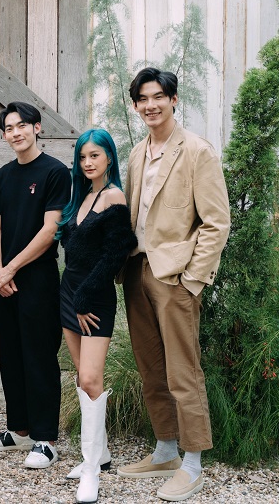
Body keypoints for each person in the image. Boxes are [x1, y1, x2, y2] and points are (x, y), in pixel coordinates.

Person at [117, 68, 230, 502]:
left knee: (184, 371)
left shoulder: (197, 151)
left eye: (158, 96)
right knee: (151, 368)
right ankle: (165, 451)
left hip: (175, 277)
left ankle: (193, 463)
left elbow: (216, 222)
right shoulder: (136, 153)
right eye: (143, 99)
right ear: (135, 105)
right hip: (136, 271)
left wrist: (193, 279)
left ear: (173, 99)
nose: (151, 105)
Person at [0, 101, 71, 469]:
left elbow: (50, 231)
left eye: (21, 125)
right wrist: (0, 269)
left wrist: (12, 268)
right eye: (8, 128)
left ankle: (45, 439)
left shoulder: (55, 172)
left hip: (38, 278)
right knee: (11, 356)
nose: (15, 133)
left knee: (39, 357)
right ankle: (19, 430)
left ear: (37, 128)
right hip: (7, 280)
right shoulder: (4, 175)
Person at [55, 129, 137, 503]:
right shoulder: (82, 196)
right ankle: (99, 454)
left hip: (93, 296)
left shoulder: (113, 195)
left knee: (90, 378)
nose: (88, 162)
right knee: (81, 375)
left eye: (95, 155)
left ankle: (91, 470)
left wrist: (87, 295)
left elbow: (118, 251)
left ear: (109, 158)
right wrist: (74, 295)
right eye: (83, 157)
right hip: (69, 293)